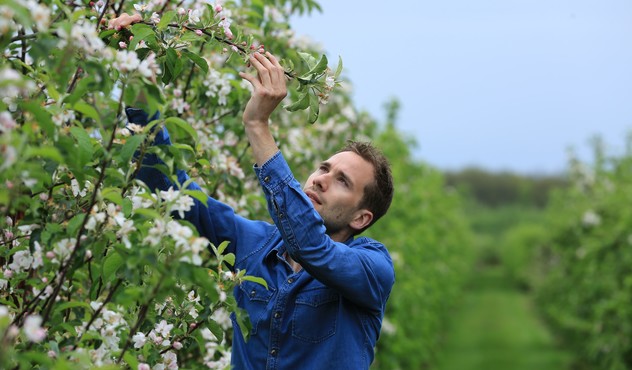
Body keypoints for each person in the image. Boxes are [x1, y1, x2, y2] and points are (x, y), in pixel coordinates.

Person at [116, 14, 395, 370]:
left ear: (361, 217)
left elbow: (310, 246)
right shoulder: (254, 244)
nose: (321, 179)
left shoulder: (373, 268)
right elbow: (167, 185)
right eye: (324, 168)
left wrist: (258, 125)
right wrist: (141, 74)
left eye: (342, 181)